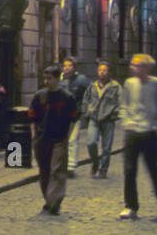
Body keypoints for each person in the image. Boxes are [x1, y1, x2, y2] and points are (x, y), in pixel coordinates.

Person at [118, 53, 157, 220]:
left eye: (137, 65)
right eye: (133, 65)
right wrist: (126, 122)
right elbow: (124, 105)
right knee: (129, 170)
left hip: (149, 132)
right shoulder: (129, 83)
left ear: (146, 67)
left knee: (154, 169)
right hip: (132, 131)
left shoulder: (156, 84)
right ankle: (131, 206)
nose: (133, 68)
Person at [29, 65, 79, 215]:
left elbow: (74, 118)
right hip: (42, 139)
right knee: (44, 171)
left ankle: (55, 201)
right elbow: (32, 118)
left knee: (57, 171)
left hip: (59, 139)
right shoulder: (39, 96)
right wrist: (34, 136)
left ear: (57, 79)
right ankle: (48, 200)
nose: (46, 82)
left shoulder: (67, 97)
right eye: (45, 78)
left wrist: (67, 136)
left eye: (49, 78)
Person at [82, 60, 121, 179]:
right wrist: (86, 112)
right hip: (94, 118)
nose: (102, 72)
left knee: (106, 147)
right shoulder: (92, 86)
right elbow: (86, 99)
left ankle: (103, 169)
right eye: (100, 70)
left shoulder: (115, 87)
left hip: (108, 119)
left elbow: (121, 103)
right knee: (91, 142)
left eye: (104, 70)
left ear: (110, 73)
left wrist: (114, 114)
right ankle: (95, 162)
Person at [60, 57, 91, 176]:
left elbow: (90, 92)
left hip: (75, 115)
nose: (67, 68)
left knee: (72, 140)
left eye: (69, 66)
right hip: (61, 115)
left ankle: (71, 166)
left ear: (74, 68)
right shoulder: (60, 79)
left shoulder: (81, 80)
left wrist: (85, 108)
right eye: (65, 66)